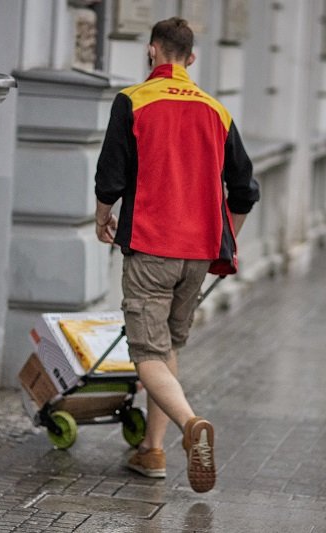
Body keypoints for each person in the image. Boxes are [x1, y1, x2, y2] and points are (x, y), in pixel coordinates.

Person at [93, 17, 260, 493]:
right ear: (192, 58)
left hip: (152, 245)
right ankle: (151, 451)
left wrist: (102, 215)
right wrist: (228, 235)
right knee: (167, 348)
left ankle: (190, 426)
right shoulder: (216, 110)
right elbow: (246, 190)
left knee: (146, 352)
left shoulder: (134, 101)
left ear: (152, 52)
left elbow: (112, 174)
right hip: (198, 254)